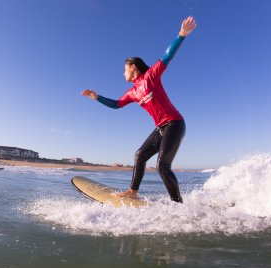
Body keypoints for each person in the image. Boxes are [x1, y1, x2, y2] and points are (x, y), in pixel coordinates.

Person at [81, 16, 197, 203]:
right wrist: (97, 97)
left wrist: (181, 35)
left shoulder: (151, 76)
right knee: (139, 155)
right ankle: (133, 191)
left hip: (175, 123)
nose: (123, 73)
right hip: (161, 127)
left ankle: (178, 205)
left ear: (133, 67)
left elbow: (167, 56)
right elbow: (116, 104)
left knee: (162, 166)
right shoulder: (133, 92)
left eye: (124, 69)